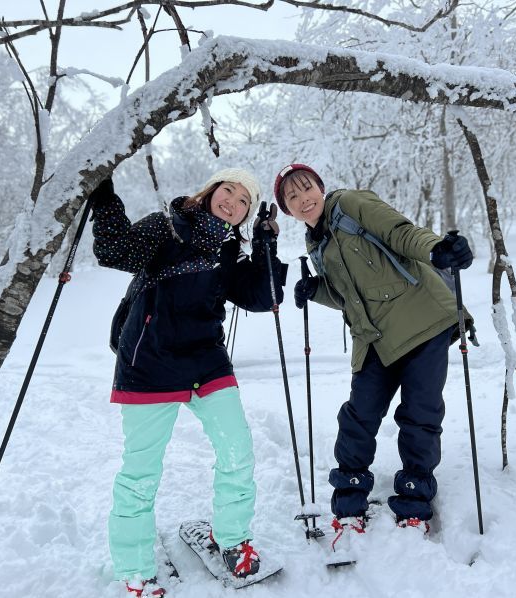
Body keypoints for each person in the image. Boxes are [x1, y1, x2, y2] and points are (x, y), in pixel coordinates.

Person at [89, 168, 286, 597]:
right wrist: (104, 199)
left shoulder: (229, 252)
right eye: (228, 191)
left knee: (238, 451)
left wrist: (267, 244)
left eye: (243, 202)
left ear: (244, 216)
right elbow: (113, 251)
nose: (232, 202)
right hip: (149, 363)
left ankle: (232, 541)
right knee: (140, 473)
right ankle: (136, 568)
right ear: (211, 191)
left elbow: (264, 296)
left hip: (206, 362)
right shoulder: (166, 226)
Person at [273, 163, 473, 550]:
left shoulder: (351, 203)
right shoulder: (315, 242)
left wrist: (437, 249)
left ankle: (414, 504)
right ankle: (349, 505)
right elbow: (350, 295)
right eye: (292, 197)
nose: (303, 198)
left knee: (420, 415)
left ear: (320, 186)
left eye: (307, 187)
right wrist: (315, 291)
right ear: (288, 209)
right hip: (373, 338)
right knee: (358, 417)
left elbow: (400, 234)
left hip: (422, 321)